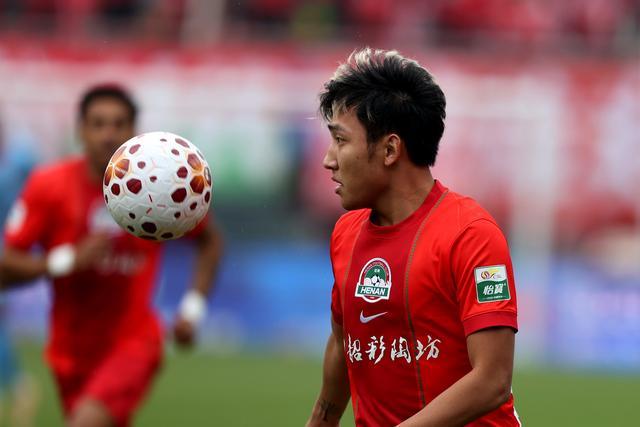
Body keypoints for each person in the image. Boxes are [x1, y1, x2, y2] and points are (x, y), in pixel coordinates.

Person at [306, 48, 520, 427]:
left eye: (340, 140)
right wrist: (321, 421)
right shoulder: (346, 234)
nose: (328, 159)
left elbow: (492, 381)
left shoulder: (472, 235)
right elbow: (343, 342)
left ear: (390, 149)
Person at [0, 84, 223, 427]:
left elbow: (210, 240)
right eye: (98, 124)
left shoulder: (157, 188)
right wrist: (66, 261)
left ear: (134, 131)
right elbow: (5, 269)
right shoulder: (49, 186)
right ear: (80, 130)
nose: (108, 135)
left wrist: (192, 309)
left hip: (133, 343)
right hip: (70, 350)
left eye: (118, 124)